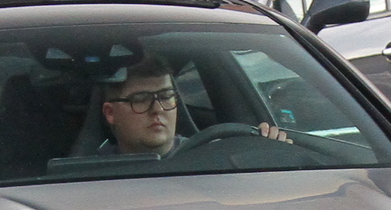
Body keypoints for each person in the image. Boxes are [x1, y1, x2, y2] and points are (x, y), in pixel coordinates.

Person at [98, 57, 287, 157]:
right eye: (140, 99)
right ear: (110, 113)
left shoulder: (215, 157)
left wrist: (271, 155)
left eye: (166, 96)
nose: (157, 109)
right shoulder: (89, 174)